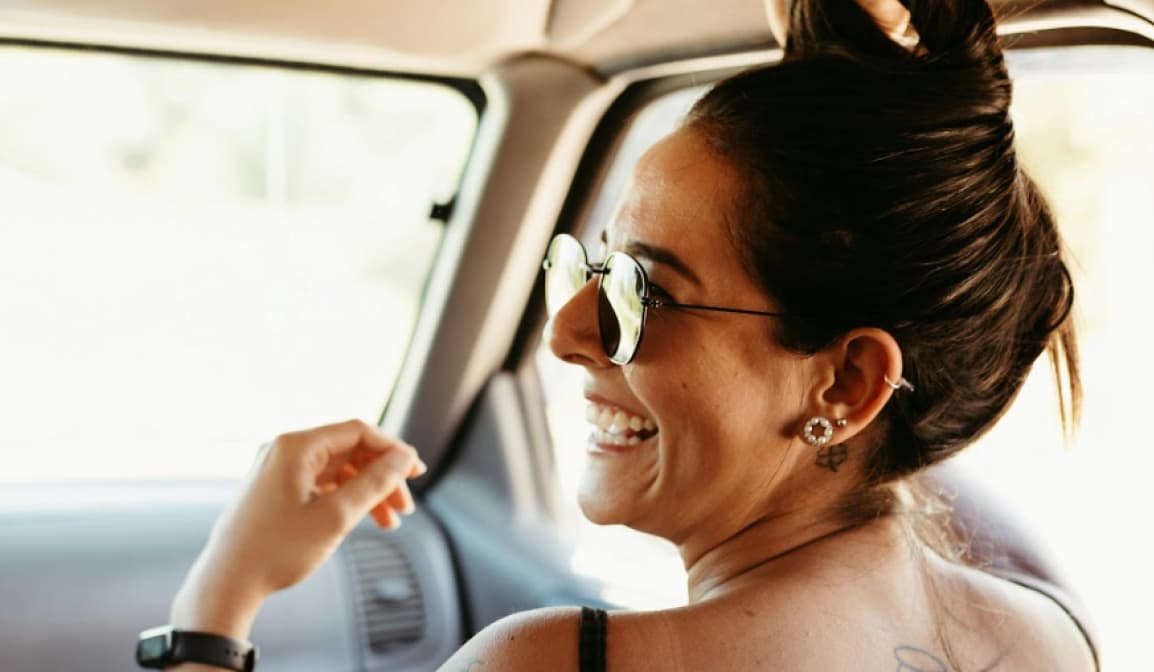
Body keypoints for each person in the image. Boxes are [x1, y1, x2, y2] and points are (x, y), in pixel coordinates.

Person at [157, 0, 1097, 669]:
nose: (567, 332)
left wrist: (217, 603)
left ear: (847, 386)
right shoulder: (1055, 641)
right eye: (597, 267)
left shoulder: (554, 664)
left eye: (645, 289)